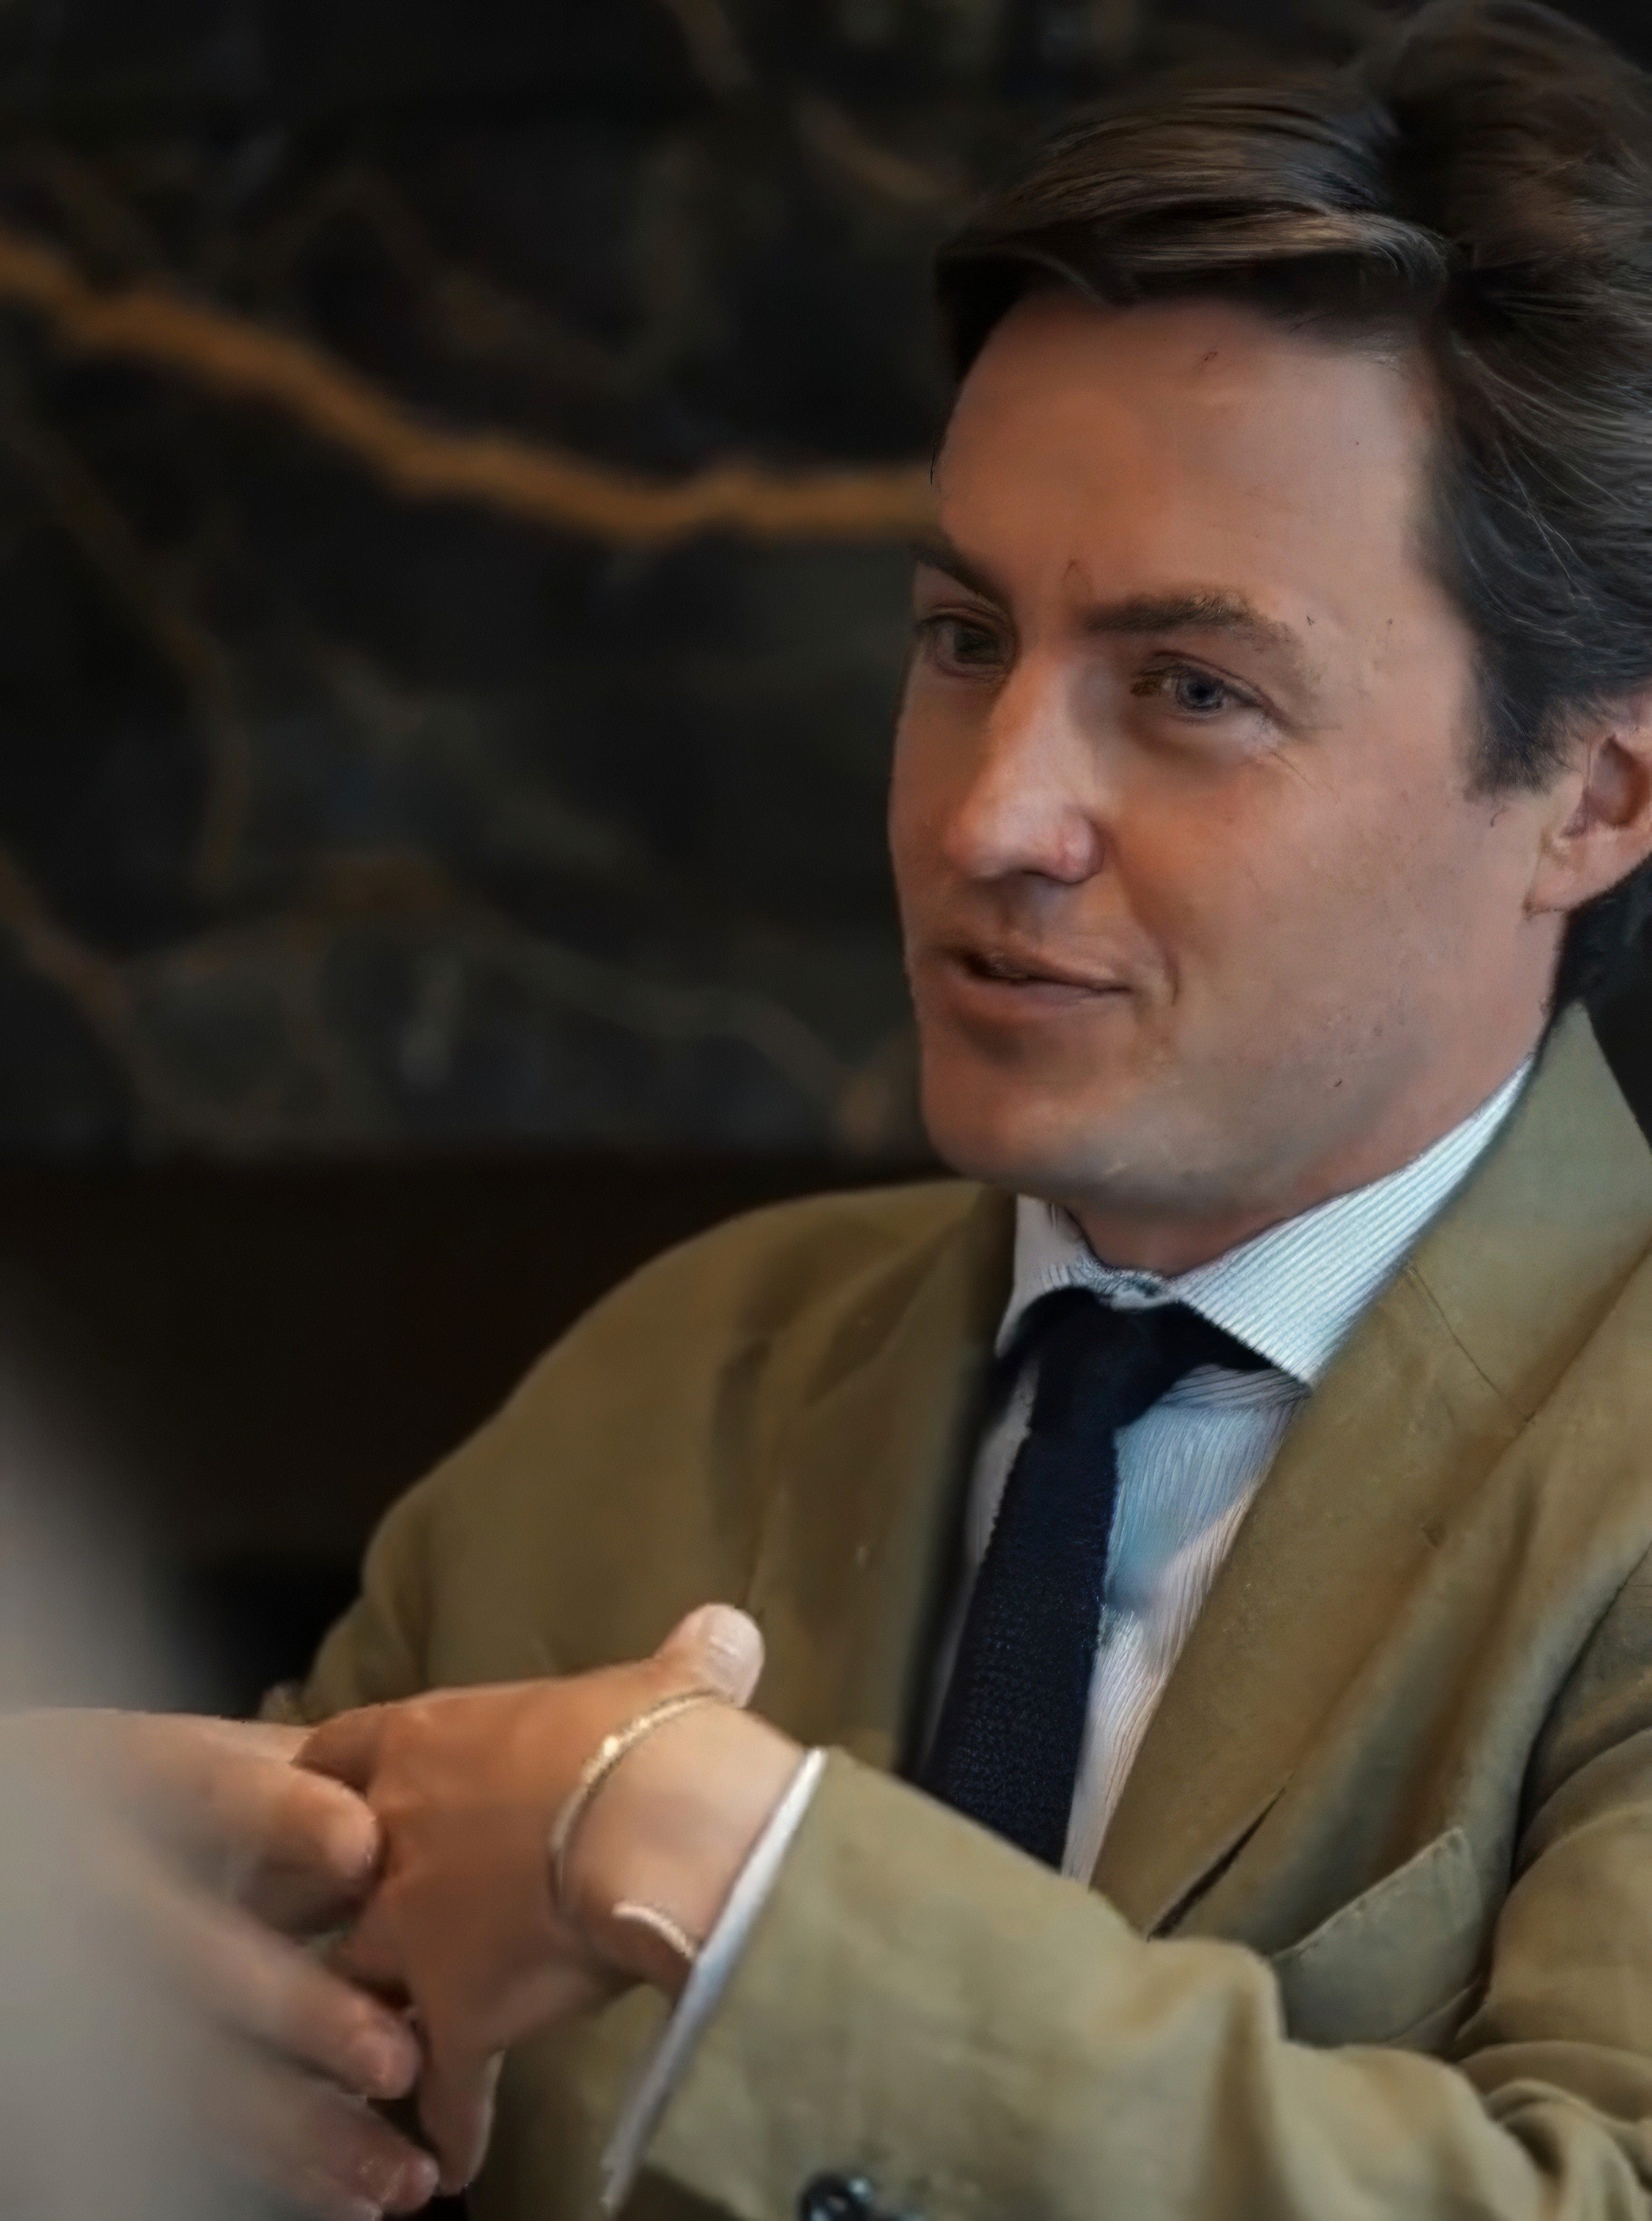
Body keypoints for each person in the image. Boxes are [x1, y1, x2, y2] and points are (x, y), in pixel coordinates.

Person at [46, 1, 1652, 2215]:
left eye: (1191, 691)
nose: (992, 815)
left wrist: (715, 1856)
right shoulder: (667, 1376)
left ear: (1594, 792)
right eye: (960, 638)